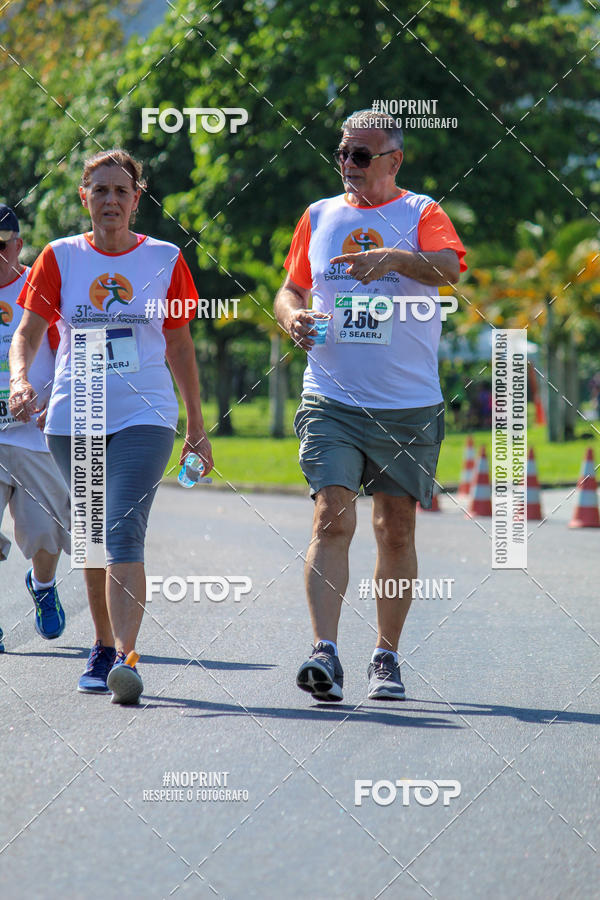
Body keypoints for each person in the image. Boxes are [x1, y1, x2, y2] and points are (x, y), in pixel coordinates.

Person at [274, 110, 467, 702]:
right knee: (331, 515)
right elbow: (291, 288)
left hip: (407, 406)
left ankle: (386, 655)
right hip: (331, 397)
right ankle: (324, 652)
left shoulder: (421, 213)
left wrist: (394, 259)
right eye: (342, 153)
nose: (348, 164)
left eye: (361, 155)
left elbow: (450, 270)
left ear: (393, 160)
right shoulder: (319, 216)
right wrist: (292, 318)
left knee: (395, 530)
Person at [9, 150, 213, 703]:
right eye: (99, 190)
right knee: (93, 534)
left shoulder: (165, 259)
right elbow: (27, 333)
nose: (110, 200)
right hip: (75, 415)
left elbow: (179, 344)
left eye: (121, 190)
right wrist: (21, 380)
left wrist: (196, 426)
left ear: (137, 199)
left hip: (145, 413)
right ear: (85, 197)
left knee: (122, 526)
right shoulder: (60, 257)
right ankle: (101, 644)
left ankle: (126, 657)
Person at [0, 205, 70, 651]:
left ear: (18, 246)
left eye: (0, 246)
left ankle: (42, 585)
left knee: (44, 537)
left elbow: (67, 355)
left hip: (36, 435)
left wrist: (56, 406)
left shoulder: (39, 287)